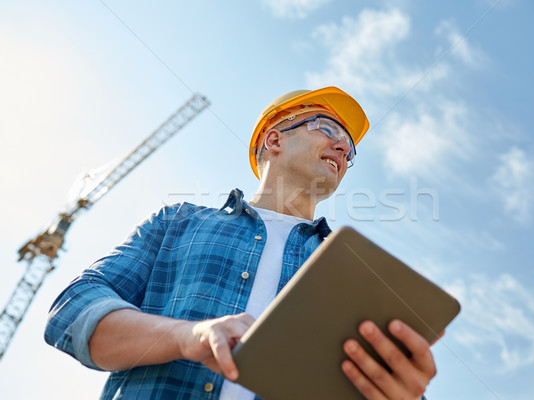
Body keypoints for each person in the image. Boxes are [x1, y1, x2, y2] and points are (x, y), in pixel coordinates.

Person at [45, 86, 437, 399]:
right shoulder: (178, 222)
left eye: (350, 150)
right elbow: (73, 311)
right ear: (274, 139)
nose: (342, 148)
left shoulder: (354, 275)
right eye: (329, 129)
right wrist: (185, 336)